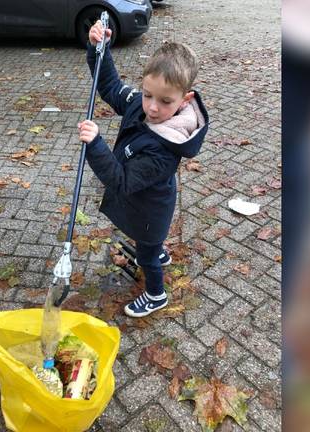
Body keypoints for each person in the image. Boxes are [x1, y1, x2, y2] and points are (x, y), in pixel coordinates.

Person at [77, 21, 209, 318]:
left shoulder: (165, 150)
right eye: (147, 94)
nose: (151, 107)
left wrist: (96, 143)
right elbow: (110, 85)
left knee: (146, 253)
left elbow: (120, 181)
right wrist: (99, 49)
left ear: (185, 99)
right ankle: (158, 250)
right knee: (151, 244)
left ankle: (155, 294)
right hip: (144, 200)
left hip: (151, 211)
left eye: (165, 101)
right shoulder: (142, 104)